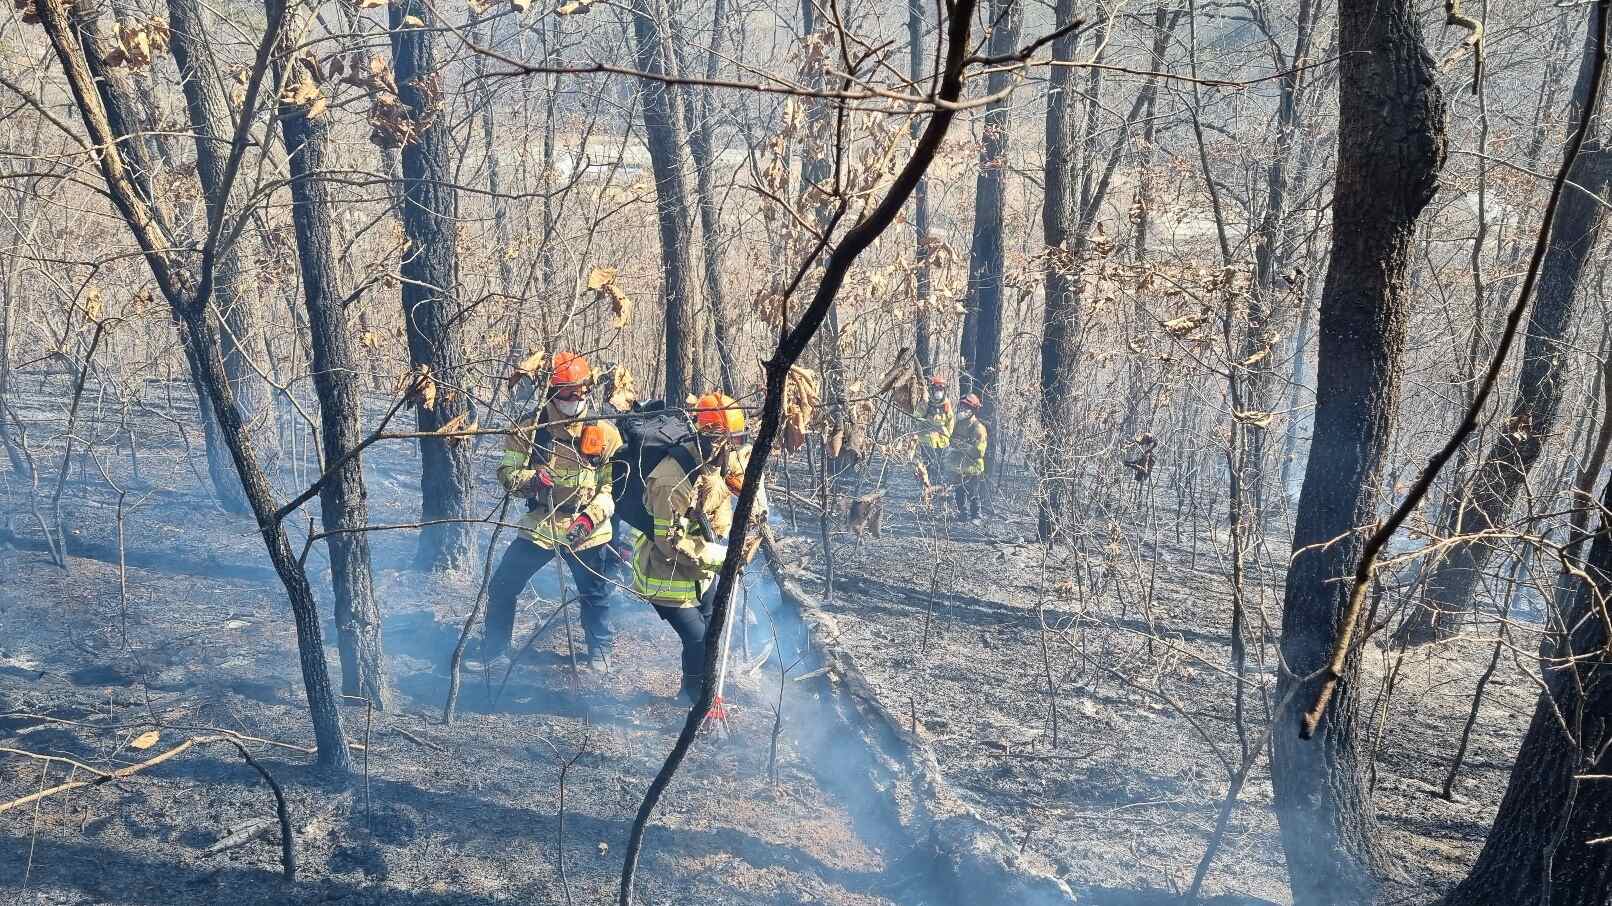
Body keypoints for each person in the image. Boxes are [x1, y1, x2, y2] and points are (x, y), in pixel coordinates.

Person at [480, 351, 624, 671]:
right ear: (552, 392)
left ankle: (600, 650)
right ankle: (494, 651)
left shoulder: (606, 434)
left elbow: (611, 489)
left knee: (594, 592)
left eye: (582, 389)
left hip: (588, 524)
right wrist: (532, 480)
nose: (577, 397)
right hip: (543, 521)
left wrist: (589, 518)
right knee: (503, 585)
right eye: (568, 391)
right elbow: (506, 473)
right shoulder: (528, 429)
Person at [631, 392, 752, 702]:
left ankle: (694, 693)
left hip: (701, 571)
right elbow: (669, 544)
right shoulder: (671, 481)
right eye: (733, 441)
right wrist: (726, 557)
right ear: (714, 438)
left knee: (710, 631)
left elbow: (717, 505)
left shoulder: (712, 462)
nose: (738, 448)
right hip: (666, 576)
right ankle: (693, 700)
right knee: (699, 641)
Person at [951, 393, 988, 523]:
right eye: (962, 406)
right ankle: (963, 514)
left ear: (973, 410)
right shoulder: (958, 424)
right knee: (959, 492)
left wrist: (963, 446)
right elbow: (950, 438)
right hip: (958, 466)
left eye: (966, 407)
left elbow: (979, 451)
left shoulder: (979, 428)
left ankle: (976, 516)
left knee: (973, 493)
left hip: (973, 468)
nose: (963, 409)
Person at [913, 375, 953, 489]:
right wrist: (925, 422)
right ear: (932, 389)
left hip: (942, 440)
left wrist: (948, 434)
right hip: (927, 440)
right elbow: (916, 417)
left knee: (941, 465)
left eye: (941, 389)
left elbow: (950, 420)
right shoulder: (926, 403)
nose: (938, 391)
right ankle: (927, 487)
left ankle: (939, 488)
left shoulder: (946, 404)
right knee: (929, 464)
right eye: (936, 389)